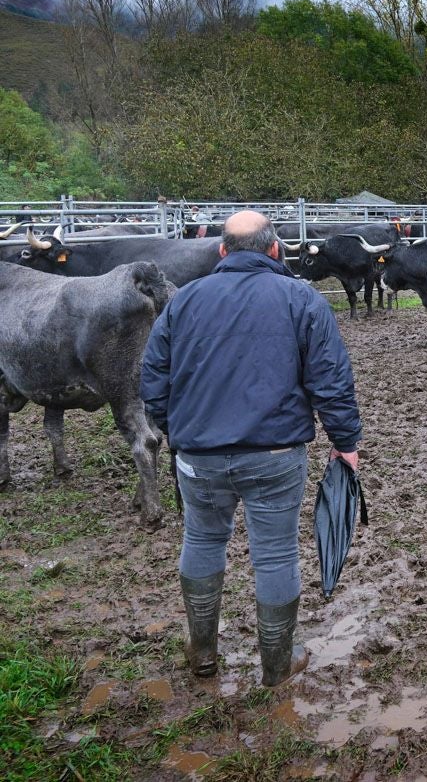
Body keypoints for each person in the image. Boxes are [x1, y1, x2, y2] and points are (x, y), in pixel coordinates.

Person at [141, 211, 362, 687]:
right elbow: (332, 381)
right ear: (275, 250)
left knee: (201, 540)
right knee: (276, 555)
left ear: (223, 251)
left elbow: (153, 380)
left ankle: (202, 651)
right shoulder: (302, 299)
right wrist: (346, 443)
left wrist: (177, 431)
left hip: (198, 454)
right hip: (276, 455)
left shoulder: (185, 302)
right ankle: (277, 667)